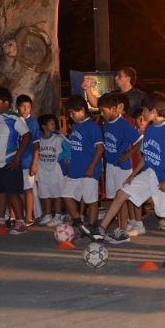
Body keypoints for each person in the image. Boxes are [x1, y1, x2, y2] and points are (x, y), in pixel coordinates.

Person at [88, 93, 165, 268]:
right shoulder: (150, 128)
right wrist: (133, 174)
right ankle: (100, 229)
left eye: (145, 110)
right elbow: (146, 157)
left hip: (164, 178)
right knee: (121, 193)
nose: (143, 113)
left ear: (153, 111)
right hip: (149, 174)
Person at [0, 87, 31, 235]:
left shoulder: (14, 118)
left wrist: (17, 157)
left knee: (13, 193)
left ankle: (21, 223)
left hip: (9, 162)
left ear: (6, 103)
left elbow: (27, 136)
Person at [98, 92, 142, 243]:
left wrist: (129, 153)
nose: (101, 114)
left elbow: (140, 140)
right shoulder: (105, 123)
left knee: (121, 198)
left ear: (115, 109)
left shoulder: (124, 124)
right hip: (110, 165)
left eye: (104, 111)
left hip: (122, 167)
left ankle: (123, 231)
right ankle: (117, 227)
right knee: (112, 197)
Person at [62, 96, 104, 238]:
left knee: (91, 200)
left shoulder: (93, 127)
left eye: (73, 113)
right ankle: (78, 222)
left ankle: (92, 227)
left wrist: (91, 167)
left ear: (81, 111)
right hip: (75, 169)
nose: (71, 116)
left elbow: (99, 149)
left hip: (89, 171)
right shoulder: (75, 126)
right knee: (66, 195)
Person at [36, 114, 70, 228]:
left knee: (57, 194)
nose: (54, 125)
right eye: (51, 123)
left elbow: (69, 149)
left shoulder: (58, 138)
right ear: (43, 126)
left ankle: (58, 215)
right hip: (42, 170)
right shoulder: (38, 139)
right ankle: (48, 214)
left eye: (54, 123)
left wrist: (62, 157)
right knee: (45, 195)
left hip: (55, 171)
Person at [16, 94, 42, 227]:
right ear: (17, 108)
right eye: (23, 107)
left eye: (28, 107)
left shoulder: (33, 123)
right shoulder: (14, 121)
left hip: (27, 162)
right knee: (14, 190)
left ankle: (29, 217)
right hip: (15, 162)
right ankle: (14, 216)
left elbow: (37, 145)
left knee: (28, 190)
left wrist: (34, 164)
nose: (26, 109)